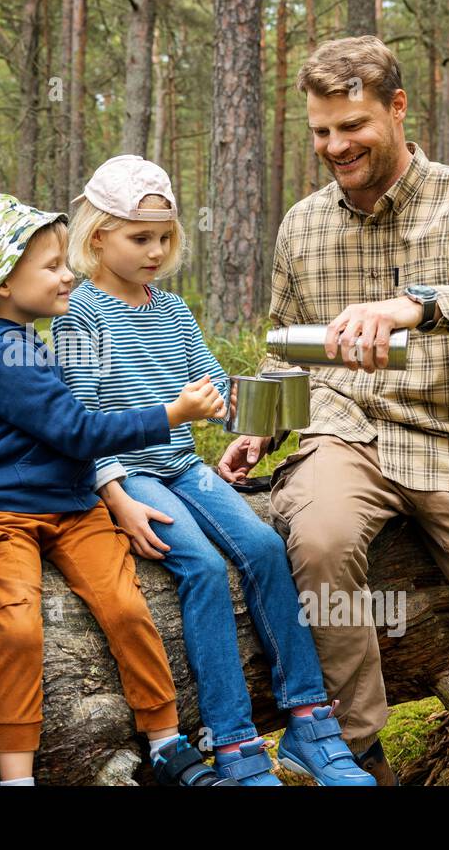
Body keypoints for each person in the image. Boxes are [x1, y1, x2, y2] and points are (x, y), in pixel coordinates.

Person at [219, 35, 449, 786]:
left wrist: (419, 306)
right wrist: (259, 423)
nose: (336, 145)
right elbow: (288, 351)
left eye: (352, 125)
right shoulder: (302, 224)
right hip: (344, 434)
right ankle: (354, 754)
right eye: (321, 131)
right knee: (320, 536)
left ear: (396, 109)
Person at [51, 156, 376, 786]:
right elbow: (79, 418)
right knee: (200, 565)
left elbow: (213, 387)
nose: (154, 251)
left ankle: (311, 721)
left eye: (164, 238)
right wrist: (114, 496)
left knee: (262, 544)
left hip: (181, 463)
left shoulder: (170, 310)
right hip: (130, 473)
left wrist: (249, 421)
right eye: (139, 238)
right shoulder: (80, 314)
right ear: (97, 237)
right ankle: (233, 744)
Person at [0, 193, 236, 786]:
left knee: (125, 605)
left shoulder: (28, 341)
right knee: (14, 627)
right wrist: (171, 413)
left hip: (72, 507)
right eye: (49, 266)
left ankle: (166, 739)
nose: (67, 273)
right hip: (0, 515)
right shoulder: (2, 352)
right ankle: (18, 774)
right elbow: (77, 431)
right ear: (1, 282)